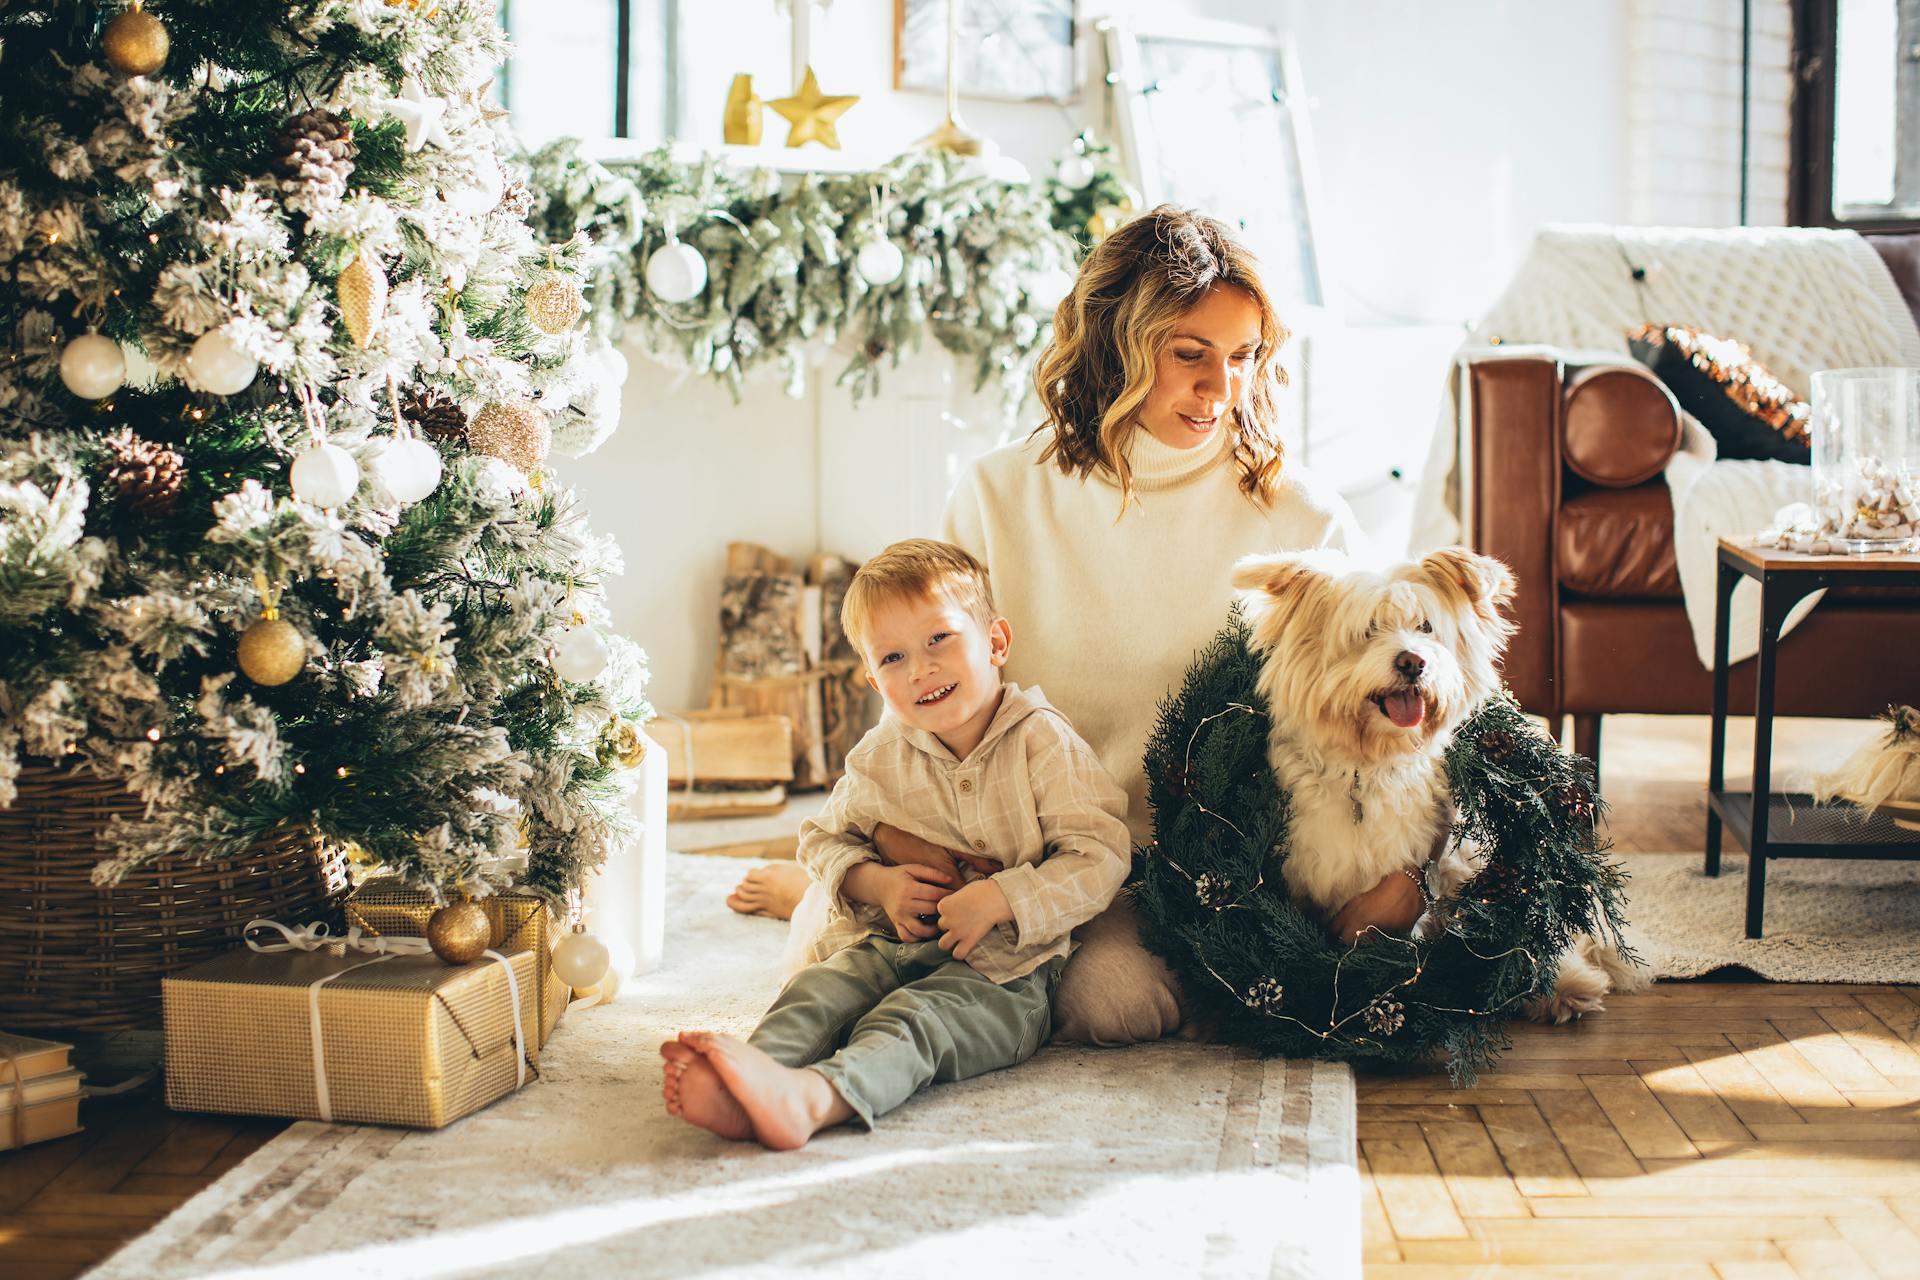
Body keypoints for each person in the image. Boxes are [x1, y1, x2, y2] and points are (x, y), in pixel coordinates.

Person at [729, 206, 1424, 1044]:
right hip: (1006, 845)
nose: (1222, 390)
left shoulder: (1299, 516)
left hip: (1179, 874)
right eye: (1189, 354)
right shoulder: (997, 493)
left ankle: (804, 890)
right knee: (826, 968)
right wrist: (894, 838)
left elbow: (1392, 694)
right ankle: (801, 889)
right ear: (1118, 345)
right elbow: (921, 674)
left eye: (1243, 358)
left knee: (1112, 1007)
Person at [665, 540, 1130, 1149]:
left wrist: (1001, 898)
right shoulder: (882, 756)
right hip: (885, 947)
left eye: (939, 639)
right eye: (893, 657)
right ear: (873, 679)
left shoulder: (1042, 743)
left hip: (1003, 978)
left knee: (911, 1022)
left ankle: (817, 1098)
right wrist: (878, 884)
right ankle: (748, 1077)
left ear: (995, 642)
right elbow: (825, 841)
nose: (920, 669)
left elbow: (1099, 854)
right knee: (818, 990)